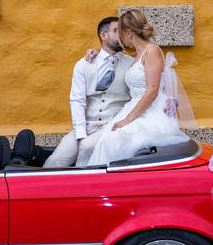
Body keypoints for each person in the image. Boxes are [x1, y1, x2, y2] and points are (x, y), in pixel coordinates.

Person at [78, 9, 191, 167]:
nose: (119, 38)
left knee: (117, 140)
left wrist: (128, 119)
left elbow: (152, 90)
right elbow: (114, 58)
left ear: (128, 33)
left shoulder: (152, 51)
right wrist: (96, 53)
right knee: (107, 140)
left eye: (120, 33)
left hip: (149, 110)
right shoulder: (136, 54)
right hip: (133, 108)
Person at [42, 17, 135, 168]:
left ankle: (79, 189)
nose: (122, 35)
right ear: (103, 36)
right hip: (87, 125)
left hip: (112, 126)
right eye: (116, 31)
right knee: (57, 159)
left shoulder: (132, 64)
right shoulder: (84, 64)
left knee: (87, 148)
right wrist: (80, 134)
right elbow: (77, 100)